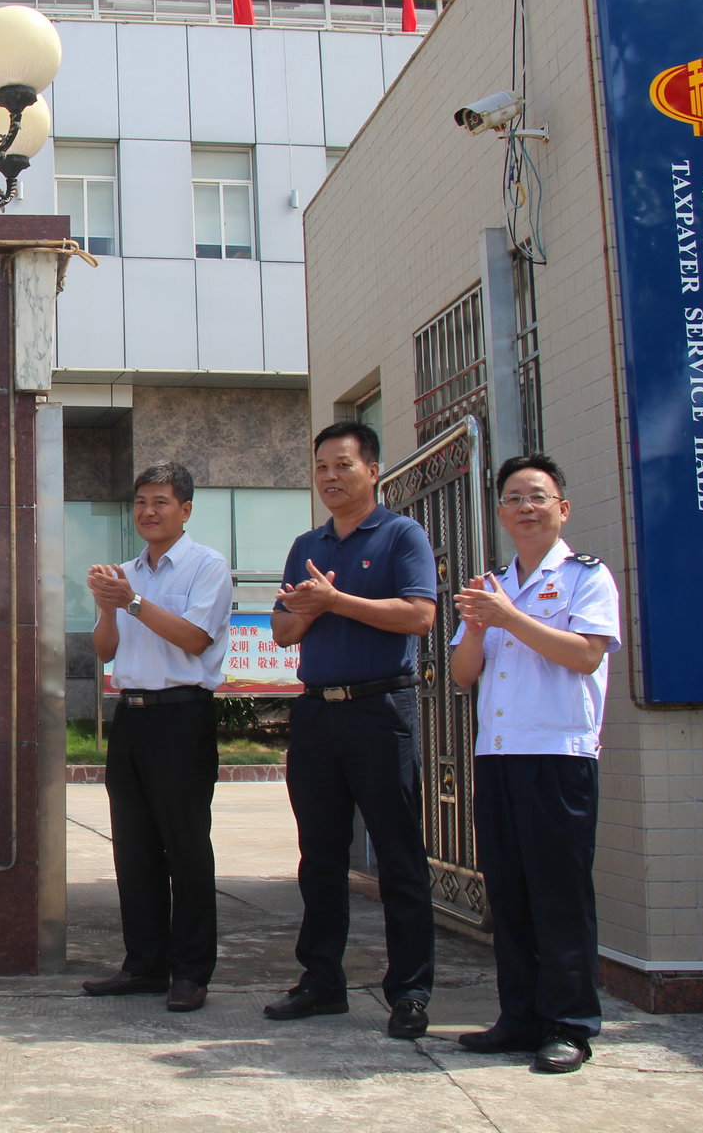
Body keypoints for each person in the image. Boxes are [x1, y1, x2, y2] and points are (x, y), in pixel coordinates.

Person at [267, 421, 438, 1039]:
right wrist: (311, 607)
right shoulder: (306, 544)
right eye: (321, 468)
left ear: (372, 469)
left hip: (380, 711)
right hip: (316, 713)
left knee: (397, 857)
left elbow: (420, 615)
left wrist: (336, 603)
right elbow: (284, 632)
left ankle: (411, 992)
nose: (330, 477)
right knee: (319, 857)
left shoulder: (400, 535)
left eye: (342, 465)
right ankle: (320, 981)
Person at [450, 454, 619, 1075]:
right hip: (498, 757)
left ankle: (570, 1024)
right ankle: (518, 1016)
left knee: (560, 896)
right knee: (511, 894)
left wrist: (510, 618)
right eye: (514, 497)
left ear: (561, 509)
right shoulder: (492, 584)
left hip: (557, 756)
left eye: (538, 497)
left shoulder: (585, 578)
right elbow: (466, 675)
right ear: (500, 513)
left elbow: (584, 656)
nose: (526, 506)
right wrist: (474, 627)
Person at [79, 462, 234, 1013]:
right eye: (141, 501)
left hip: (182, 716)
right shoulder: (124, 573)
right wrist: (106, 607)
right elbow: (104, 651)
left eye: (161, 502)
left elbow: (195, 638)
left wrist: (133, 603)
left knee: (186, 847)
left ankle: (191, 971)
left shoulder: (206, 565)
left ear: (185, 510)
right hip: (133, 716)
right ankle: (143, 964)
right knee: (134, 846)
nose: (148, 511)